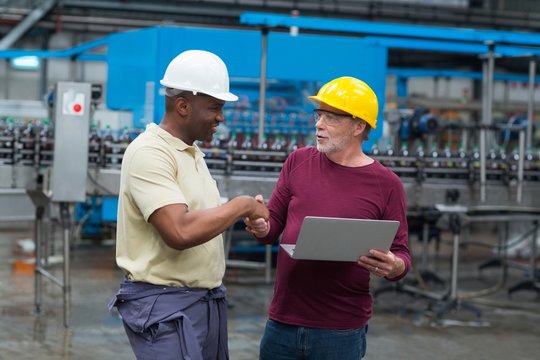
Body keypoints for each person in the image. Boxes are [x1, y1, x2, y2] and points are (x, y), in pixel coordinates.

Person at [108, 49, 268, 360]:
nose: (221, 117)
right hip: (165, 308)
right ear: (183, 105)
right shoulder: (150, 152)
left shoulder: (191, 154)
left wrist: (241, 216)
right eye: (215, 108)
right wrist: (241, 206)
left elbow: (197, 215)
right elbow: (178, 232)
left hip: (204, 302)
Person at [245, 76, 411, 360]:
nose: (318, 124)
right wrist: (261, 225)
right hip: (282, 321)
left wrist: (393, 266)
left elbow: (402, 254)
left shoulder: (387, 184)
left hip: (341, 329)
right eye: (318, 115)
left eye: (331, 117)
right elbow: (272, 228)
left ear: (359, 126)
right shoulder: (297, 162)